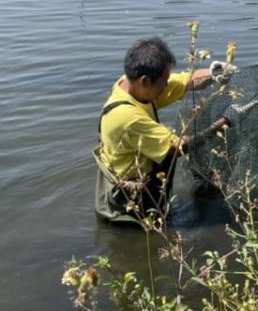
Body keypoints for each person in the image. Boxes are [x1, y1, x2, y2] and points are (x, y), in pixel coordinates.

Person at [94, 37, 238, 224]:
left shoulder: (130, 85)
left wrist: (214, 73)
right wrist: (225, 121)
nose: (165, 88)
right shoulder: (127, 117)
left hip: (143, 183)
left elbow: (184, 82)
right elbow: (176, 147)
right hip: (127, 204)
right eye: (163, 82)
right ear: (145, 81)